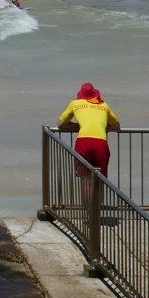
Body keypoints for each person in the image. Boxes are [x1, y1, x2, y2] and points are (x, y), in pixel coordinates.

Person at [59, 83, 119, 215]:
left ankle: (89, 213)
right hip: (100, 143)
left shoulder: (75, 104)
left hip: (83, 142)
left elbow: (61, 124)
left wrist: (78, 126)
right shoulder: (104, 105)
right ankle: (97, 212)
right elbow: (116, 125)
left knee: (86, 179)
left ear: (81, 95)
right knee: (99, 179)